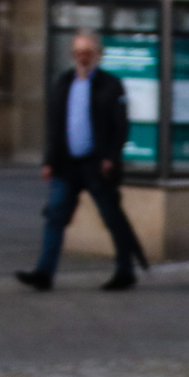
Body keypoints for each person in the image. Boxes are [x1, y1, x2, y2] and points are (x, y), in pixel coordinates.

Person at [17, 31, 143, 292]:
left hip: (96, 164)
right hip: (66, 163)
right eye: (78, 53)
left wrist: (110, 156)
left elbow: (120, 126)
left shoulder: (110, 85)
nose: (83, 58)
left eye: (88, 53)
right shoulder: (64, 83)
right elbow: (55, 125)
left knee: (112, 216)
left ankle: (125, 270)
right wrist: (49, 161)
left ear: (98, 55)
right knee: (55, 216)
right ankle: (44, 272)